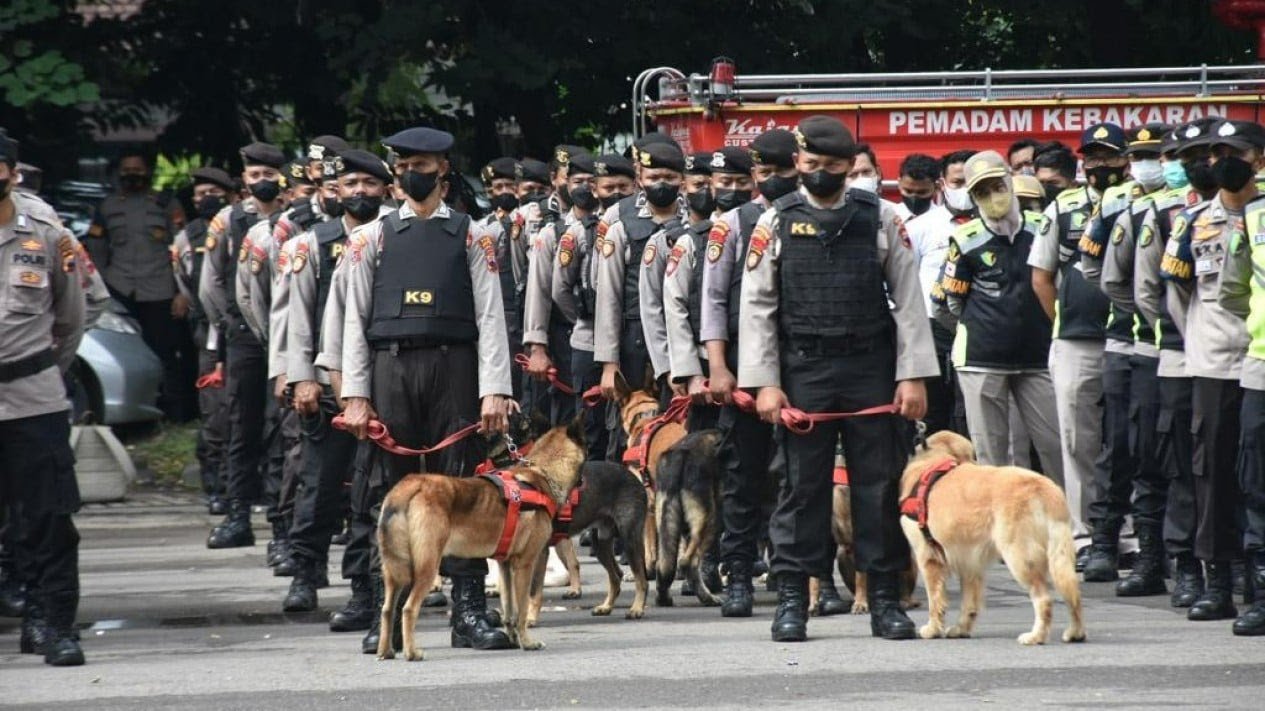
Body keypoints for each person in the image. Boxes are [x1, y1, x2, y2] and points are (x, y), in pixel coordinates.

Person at [739, 115, 938, 642]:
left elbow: (910, 300)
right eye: (810, 166)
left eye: (831, 167)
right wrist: (765, 383)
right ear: (797, 164)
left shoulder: (882, 216)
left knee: (877, 485)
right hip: (803, 368)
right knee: (801, 488)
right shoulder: (773, 221)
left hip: (869, 365)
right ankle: (792, 599)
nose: (820, 174)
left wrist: (912, 375)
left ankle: (885, 600)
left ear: (851, 167)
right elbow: (757, 306)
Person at [339, 126, 515, 652]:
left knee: (461, 489)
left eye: (425, 164)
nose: (415, 173)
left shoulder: (473, 234)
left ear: (443, 170)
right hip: (390, 370)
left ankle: (469, 614)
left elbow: (490, 316)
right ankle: (385, 615)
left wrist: (495, 390)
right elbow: (354, 320)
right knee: (384, 495)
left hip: (454, 370)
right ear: (396, 174)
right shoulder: (368, 238)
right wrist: (354, 393)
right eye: (406, 164)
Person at [282, 149, 393, 617]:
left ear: (385, 188)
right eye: (351, 185)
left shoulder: (398, 234)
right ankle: (305, 574)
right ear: (336, 190)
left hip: (386, 385)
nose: (360, 192)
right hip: (328, 388)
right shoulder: (312, 243)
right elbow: (299, 317)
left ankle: (364, 586)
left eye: (369, 184)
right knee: (321, 484)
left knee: (373, 490)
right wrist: (301, 377)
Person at [1163, 118, 1259, 622]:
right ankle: (1218, 577)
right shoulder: (1192, 221)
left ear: (1258, 160)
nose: (1222, 160)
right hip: (1217, 362)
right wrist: (1204, 339)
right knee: (1214, 472)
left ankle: (1254, 571)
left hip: (1260, 357)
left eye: (1234, 152)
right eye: (1217, 152)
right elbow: (1177, 295)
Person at [701, 129, 797, 617]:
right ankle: (737, 573)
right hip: (743, 367)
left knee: (798, 476)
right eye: (766, 172)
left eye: (783, 171)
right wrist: (717, 366)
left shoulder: (811, 215)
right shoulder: (732, 225)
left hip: (800, 362)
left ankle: (795, 573)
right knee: (742, 476)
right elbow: (714, 300)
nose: (774, 180)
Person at [0, 133, 87, 665]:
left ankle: (52, 623)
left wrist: (38, 370)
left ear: (10, 172)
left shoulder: (49, 237)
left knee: (48, 519)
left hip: (33, 399)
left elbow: (72, 320)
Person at [930, 150, 1062, 478]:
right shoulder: (965, 239)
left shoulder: (1043, 227)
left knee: (1055, 445)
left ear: (1010, 182)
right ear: (973, 197)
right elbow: (948, 305)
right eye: (982, 191)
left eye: (998, 185)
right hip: (981, 359)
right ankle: (996, 527)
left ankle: (1070, 522)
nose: (993, 196)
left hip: (1039, 356)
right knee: (991, 457)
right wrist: (980, 328)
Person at [1029, 124, 1125, 562]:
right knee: (1076, 437)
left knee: (1129, 438)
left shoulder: (1138, 202)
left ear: (1125, 159)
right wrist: (1064, 321)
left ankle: (1129, 531)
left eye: (1108, 156)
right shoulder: (1064, 207)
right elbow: (1041, 277)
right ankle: (1085, 532)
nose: (1100, 165)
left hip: (1132, 339)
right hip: (1075, 341)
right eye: (1093, 157)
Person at [1135, 119, 1221, 608]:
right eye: (1189, 159)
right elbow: (1150, 290)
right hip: (1180, 358)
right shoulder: (1168, 216)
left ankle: (1234, 568)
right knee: (1182, 469)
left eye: (1208, 155)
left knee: (1230, 468)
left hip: (1239, 360)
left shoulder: (1253, 212)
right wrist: (1191, 334)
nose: (1200, 166)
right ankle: (1187, 565)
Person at [1090, 124, 1174, 594]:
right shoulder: (1119, 203)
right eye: (1143, 156)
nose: (1153, 164)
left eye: (1160, 155)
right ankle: (1111, 544)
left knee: (1176, 456)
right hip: (1133, 342)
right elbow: (1097, 270)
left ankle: (1173, 555)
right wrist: (1143, 313)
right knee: (1124, 446)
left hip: (1194, 348)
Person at [200, 141, 288, 550]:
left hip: (287, 336)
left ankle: (282, 520)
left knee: (283, 429)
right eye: (255, 176)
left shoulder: (293, 220)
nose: (262, 182)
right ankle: (238, 515)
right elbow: (210, 284)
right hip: (244, 337)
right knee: (242, 425)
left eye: (270, 175)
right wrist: (232, 324)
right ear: (244, 179)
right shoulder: (227, 220)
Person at [594, 141, 687, 449]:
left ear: (682, 179)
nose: (661, 184)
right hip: (633, 343)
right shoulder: (620, 222)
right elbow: (607, 296)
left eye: (670, 178)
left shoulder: (695, 220)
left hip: (682, 337)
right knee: (626, 437)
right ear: (640, 176)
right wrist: (609, 364)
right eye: (654, 176)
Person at [85, 151, 188, 420]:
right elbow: (96, 249)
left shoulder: (166, 204)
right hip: (119, 287)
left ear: (148, 171)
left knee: (164, 352)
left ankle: (172, 412)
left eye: (138, 168)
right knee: (125, 348)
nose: (132, 174)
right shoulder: (106, 207)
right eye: (127, 168)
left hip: (159, 289)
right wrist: (101, 285)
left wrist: (181, 293)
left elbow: (182, 251)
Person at [553, 153, 635, 461]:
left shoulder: (642, 228)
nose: (615, 193)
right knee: (591, 432)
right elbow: (560, 289)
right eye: (608, 186)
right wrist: (591, 319)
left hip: (633, 342)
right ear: (596, 188)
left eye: (623, 186)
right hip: (588, 341)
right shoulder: (579, 232)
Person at [1216, 122, 1265, 636]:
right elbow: (1233, 290)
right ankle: (1261, 593)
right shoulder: (1251, 217)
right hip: (1261, 368)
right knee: (1256, 484)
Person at [172, 167, 237, 514]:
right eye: (199, 194)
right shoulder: (188, 237)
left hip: (243, 332)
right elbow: (186, 282)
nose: (205, 199)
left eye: (213, 191)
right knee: (215, 414)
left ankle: (243, 485)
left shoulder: (239, 227)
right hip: (209, 334)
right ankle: (217, 487)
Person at [523, 149, 595, 428]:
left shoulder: (613, 226)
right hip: (563, 336)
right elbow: (539, 293)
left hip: (606, 339)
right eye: (577, 181)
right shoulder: (551, 232)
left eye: (591, 181)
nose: (584, 188)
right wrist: (537, 348)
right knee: (566, 421)